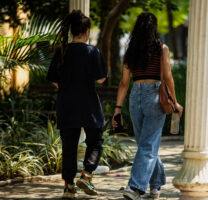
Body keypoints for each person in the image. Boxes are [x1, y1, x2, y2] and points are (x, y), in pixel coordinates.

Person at [112, 12, 183, 200]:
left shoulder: (130, 51)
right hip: (154, 97)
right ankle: (135, 188)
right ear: (154, 28)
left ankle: (155, 186)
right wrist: (174, 102)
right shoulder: (162, 49)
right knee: (148, 145)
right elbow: (168, 77)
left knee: (146, 144)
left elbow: (124, 82)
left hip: (135, 97)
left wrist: (118, 109)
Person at [46, 10, 108, 199]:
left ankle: (69, 187)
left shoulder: (61, 51)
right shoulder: (92, 51)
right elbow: (101, 80)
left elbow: (54, 81)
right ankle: (87, 174)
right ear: (87, 31)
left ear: (72, 31)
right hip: (88, 104)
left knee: (69, 147)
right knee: (95, 141)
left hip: (67, 105)